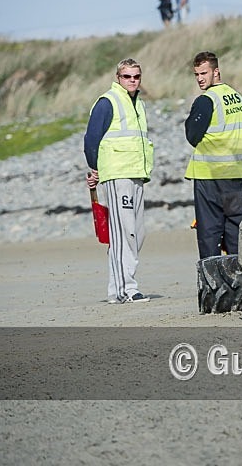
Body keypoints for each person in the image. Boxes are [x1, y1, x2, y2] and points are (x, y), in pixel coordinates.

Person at [84, 58, 154, 304]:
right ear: (118, 77)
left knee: (137, 233)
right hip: (116, 175)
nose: (132, 80)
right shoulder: (107, 102)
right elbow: (91, 139)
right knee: (124, 233)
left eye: (136, 76)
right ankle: (127, 289)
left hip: (136, 174)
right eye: (127, 76)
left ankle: (117, 289)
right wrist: (93, 170)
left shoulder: (139, 104)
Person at [184, 51, 242, 259]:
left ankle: (212, 285)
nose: (200, 78)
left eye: (204, 73)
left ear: (216, 71)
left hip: (209, 175)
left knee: (209, 233)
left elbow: (192, 134)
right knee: (235, 232)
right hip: (234, 174)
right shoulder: (235, 96)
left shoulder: (206, 100)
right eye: (197, 74)